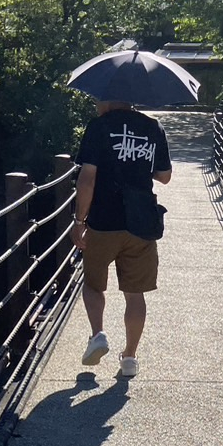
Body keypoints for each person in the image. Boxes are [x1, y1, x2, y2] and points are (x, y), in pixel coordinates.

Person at [71, 99, 172, 378]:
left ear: (109, 99)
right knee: (135, 293)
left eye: (97, 99)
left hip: (103, 221)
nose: (95, 104)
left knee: (93, 285)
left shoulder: (98, 127)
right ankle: (129, 358)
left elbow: (87, 178)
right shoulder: (153, 128)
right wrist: (138, 164)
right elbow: (164, 176)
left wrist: (79, 221)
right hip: (141, 222)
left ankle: (98, 335)